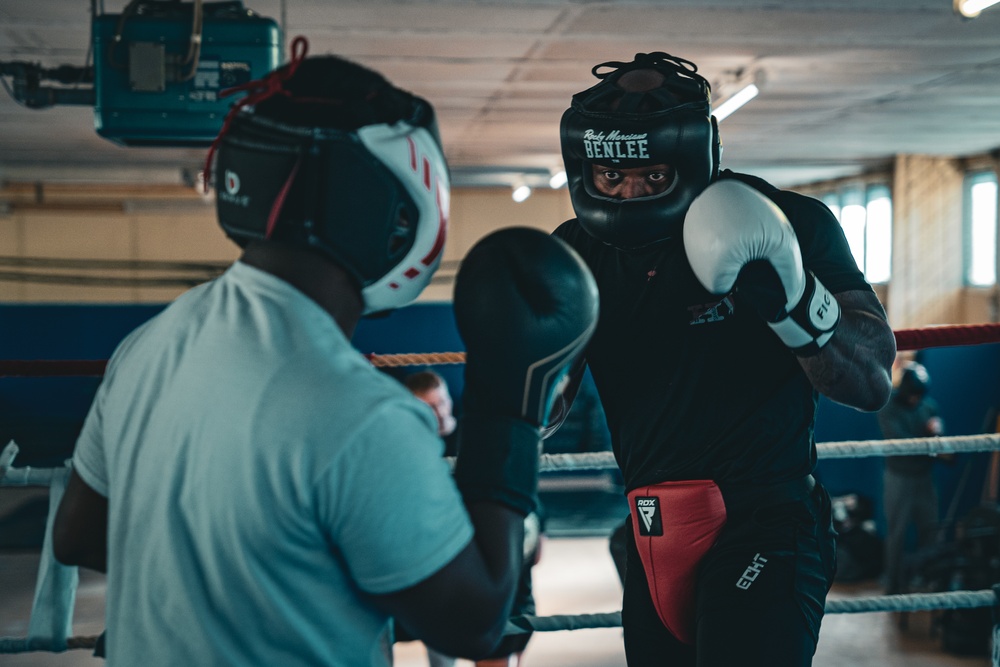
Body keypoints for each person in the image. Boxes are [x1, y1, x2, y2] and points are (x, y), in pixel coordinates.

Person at [49, 39, 600, 666]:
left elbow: (78, 533)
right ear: (397, 208)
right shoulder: (362, 415)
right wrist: (511, 403)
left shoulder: (147, 347)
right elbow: (473, 625)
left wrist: (255, 578)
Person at [549, 52, 897, 666]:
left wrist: (795, 298)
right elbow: (546, 411)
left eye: (652, 176)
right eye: (609, 177)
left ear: (694, 158)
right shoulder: (576, 252)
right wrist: (518, 357)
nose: (629, 192)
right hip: (651, 526)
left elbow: (871, 379)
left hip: (766, 521)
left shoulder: (789, 222)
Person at [402, 369, 545, 667]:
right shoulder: (407, 451)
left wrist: (539, 525)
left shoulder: (472, 441)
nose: (440, 413)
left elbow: (514, 489)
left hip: (487, 547)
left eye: (441, 403)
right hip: (443, 558)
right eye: (429, 407)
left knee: (510, 623)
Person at [877, 359, 947, 595]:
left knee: (931, 529)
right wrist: (928, 436)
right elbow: (902, 444)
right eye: (913, 394)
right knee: (896, 533)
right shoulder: (888, 407)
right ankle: (893, 585)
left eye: (919, 394)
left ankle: (929, 580)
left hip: (925, 478)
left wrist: (937, 436)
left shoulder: (929, 406)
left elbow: (940, 448)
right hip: (899, 478)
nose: (916, 399)